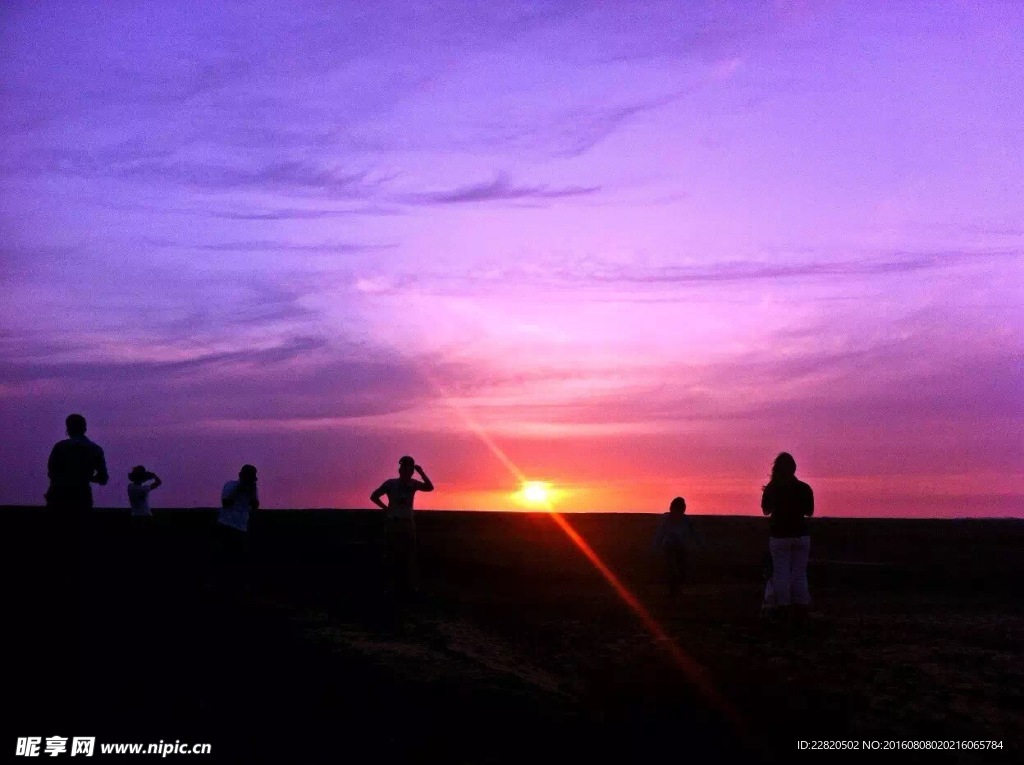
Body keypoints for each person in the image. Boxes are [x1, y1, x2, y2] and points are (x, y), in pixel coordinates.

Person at [761, 452, 814, 622]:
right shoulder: (804, 488)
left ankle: (783, 607)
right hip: (801, 535)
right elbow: (809, 512)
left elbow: (766, 511)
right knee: (799, 573)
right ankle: (801, 606)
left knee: (781, 572)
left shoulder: (772, 489)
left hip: (779, 535)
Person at [370, 456, 434, 594]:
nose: (406, 471)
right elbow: (374, 496)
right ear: (400, 470)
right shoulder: (391, 484)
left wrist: (421, 472)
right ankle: (391, 587)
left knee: (409, 556)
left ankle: (408, 587)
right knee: (391, 556)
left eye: (409, 469)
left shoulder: (412, 484)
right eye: (404, 468)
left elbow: (430, 487)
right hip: (394, 524)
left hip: (407, 524)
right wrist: (386, 509)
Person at [46, 413, 109, 514]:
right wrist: (86, 478)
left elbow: (51, 472)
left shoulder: (59, 447)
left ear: (68, 429)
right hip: (82, 498)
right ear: (85, 429)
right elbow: (103, 478)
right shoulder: (95, 449)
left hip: (58, 497)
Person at [215, 465, 259, 591]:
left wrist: (251, 493)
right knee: (223, 559)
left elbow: (255, 506)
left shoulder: (253, 490)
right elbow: (226, 503)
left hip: (241, 529)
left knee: (239, 561)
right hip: (226, 526)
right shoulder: (230, 485)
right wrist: (238, 490)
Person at [651, 497, 704, 598]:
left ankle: (676, 590)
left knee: (681, 570)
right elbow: (660, 534)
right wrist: (655, 546)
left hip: (681, 549)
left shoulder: (687, 520)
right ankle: (673, 591)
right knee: (672, 570)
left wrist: (699, 544)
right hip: (670, 548)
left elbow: (694, 534)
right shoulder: (667, 520)